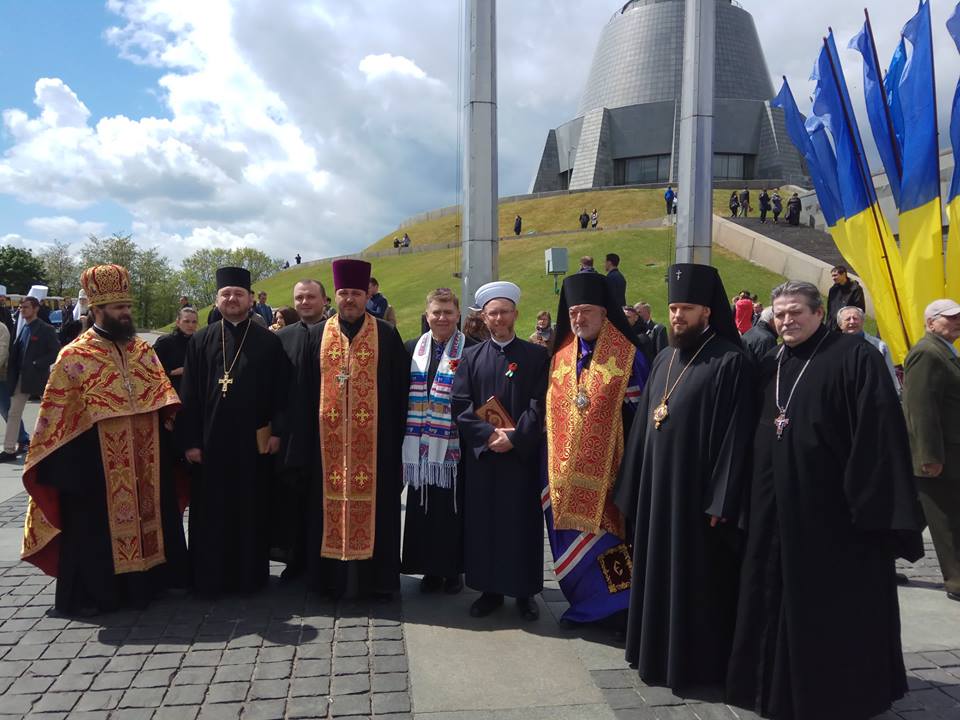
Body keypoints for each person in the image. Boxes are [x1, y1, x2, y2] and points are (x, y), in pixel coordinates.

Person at [727, 280, 923, 720]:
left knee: (832, 616)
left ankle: (836, 696)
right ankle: (774, 690)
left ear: (820, 313)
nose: (787, 321)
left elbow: (877, 439)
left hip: (835, 520)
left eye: (796, 311)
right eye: (779, 314)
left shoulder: (856, 358)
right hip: (775, 514)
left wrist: (864, 511)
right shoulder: (773, 361)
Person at [614, 263, 757, 693]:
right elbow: (644, 425)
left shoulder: (732, 362)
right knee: (655, 573)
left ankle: (695, 667)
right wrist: (632, 486)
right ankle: (653, 654)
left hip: (697, 502)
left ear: (708, 312)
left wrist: (722, 498)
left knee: (695, 583)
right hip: (658, 495)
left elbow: (738, 437)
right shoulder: (664, 357)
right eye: (674, 308)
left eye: (687, 309)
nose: (677, 317)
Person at [20, 264, 185, 615]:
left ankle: (149, 584)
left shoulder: (142, 350)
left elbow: (163, 397)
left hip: (146, 457)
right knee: (95, 528)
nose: (126, 313)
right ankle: (103, 593)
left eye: (127, 306)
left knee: (151, 515)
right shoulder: (74, 356)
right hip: (94, 463)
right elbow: (54, 420)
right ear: (96, 310)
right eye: (117, 308)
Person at [544, 272, 649, 627]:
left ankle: (619, 613)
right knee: (576, 547)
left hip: (612, 476)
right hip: (565, 476)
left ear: (605, 313)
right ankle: (583, 607)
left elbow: (641, 414)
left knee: (612, 549)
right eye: (574, 312)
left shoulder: (628, 354)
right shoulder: (560, 356)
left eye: (586, 311)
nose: (579, 319)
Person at [178, 266, 289, 596]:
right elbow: (188, 395)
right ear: (217, 300)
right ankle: (209, 577)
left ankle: (250, 576)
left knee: (251, 507)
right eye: (226, 294)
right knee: (211, 511)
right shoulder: (200, 340)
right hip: (210, 444)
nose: (232, 299)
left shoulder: (268, 342)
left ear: (251, 300)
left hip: (253, 443)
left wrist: (277, 433)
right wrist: (189, 442)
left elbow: (281, 393)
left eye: (238, 294)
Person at [304, 259, 408, 600]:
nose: (349, 299)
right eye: (343, 293)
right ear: (335, 296)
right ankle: (329, 581)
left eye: (356, 293)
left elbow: (400, 390)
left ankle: (376, 583)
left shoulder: (387, 334)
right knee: (323, 510)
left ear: (367, 295)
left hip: (376, 446)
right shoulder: (318, 335)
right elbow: (303, 390)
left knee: (378, 510)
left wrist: (395, 442)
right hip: (326, 448)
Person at [453, 281, 549, 621]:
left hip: (521, 457)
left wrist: (516, 437)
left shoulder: (537, 356)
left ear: (515, 314)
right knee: (486, 524)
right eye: (492, 313)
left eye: (504, 311)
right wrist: (488, 435)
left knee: (522, 525)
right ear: (484, 317)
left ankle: (525, 593)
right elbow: (461, 405)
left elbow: (540, 404)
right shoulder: (470, 357)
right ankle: (489, 590)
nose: (499, 318)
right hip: (486, 458)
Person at [402, 288, 474, 594]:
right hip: (419, 446)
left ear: (458, 314)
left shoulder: (472, 349)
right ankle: (428, 570)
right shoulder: (409, 350)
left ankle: (452, 571)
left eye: (448, 312)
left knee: (453, 511)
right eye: (436, 312)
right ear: (426, 315)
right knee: (422, 509)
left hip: (455, 448)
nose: (442, 318)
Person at [902, 299, 960, 603]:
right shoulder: (927, 353)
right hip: (939, 456)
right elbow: (920, 409)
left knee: (916, 514)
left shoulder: (945, 351)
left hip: (949, 452)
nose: (957, 322)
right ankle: (956, 580)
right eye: (950, 318)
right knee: (948, 518)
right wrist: (928, 456)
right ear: (931, 322)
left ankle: (880, 555)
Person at [272, 279, 329, 581]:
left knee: (321, 498)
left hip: (327, 431)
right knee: (293, 496)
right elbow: (274, 389)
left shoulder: (335, 334)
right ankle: (294, 558)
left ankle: (321, 558)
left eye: (310, 297)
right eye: (299, 297)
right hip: (293, 431)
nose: (305, 302)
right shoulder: (283, 338)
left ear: (324, 300)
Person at [0, 297, 59, 463]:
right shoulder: (23, 328)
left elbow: (55, 351)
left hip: (39, 377)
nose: (22, 310)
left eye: (25, 307)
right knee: (13, 413)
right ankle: (10, 449)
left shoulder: (45, 329)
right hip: (20, 378)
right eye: (21, 307)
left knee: (49, 413)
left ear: (36, 309)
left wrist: (37, 363)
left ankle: (54, 445)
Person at [838, 306, 900, 396]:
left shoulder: (879, 346)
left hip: (873, 396)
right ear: (840, 324)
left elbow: (889, 374)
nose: (852, 322)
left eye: (855, 318)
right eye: (848, 319)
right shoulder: (833, 347)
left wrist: (894, 394)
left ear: (862, 321)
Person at [153, 306, 199, 395]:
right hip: (169, 392)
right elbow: (150, 366)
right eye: (186, 321)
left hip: (193, 392)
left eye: (194, 322)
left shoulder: (199, 342)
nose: (191, 325)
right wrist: (172, 372)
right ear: (178, 322)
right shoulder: (164, 342)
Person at [0, 319, 29, 455]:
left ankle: (23, 440)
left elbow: (2, 352)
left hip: (2, 376)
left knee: (8, 410)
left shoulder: (1, 328)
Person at [826, 265, 866, 332]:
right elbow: (830, 309)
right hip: (832, 326)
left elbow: (859, 309)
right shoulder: (833, 289)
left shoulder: (855, 289)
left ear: (844, 274)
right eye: (832, 276)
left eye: (835, 275)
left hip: (847, 326)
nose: (833, 278)